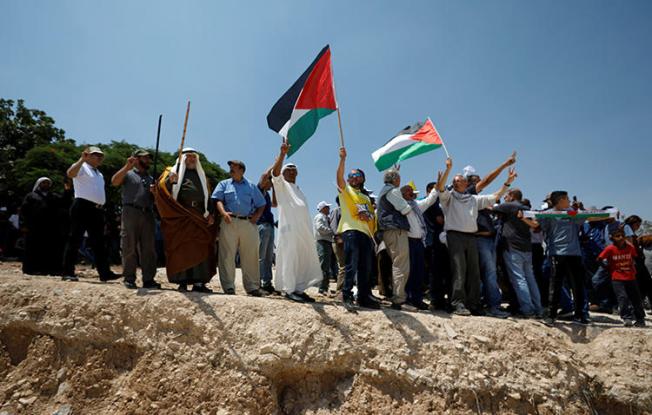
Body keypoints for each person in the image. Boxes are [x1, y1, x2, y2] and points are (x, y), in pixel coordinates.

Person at [436, 157, 516, 316]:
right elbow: (440, 188)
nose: (458, 182)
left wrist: (508, 182)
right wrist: (448, 169)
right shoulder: (449, 198)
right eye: (455, 180)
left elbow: (495, 195)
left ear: (466, 184)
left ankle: (474, 304)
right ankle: (458, 303)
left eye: (460, 180)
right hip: (455, 236)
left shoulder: (473, 199)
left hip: (471, 237)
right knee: (459, 270)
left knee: (474, 272)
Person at [538, 191, 606, 325]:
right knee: (555, 285)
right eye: (567, 199)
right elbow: (540, 227)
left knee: (578, 285)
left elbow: (590, 218)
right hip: (556, 253)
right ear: (560, 200)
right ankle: (551, 316)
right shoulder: (548, 214)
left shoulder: (574, 213)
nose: (569, 201)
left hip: (574, 253)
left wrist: (609, 214)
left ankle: (580, 315)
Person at [155, 148, 217, 292]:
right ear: (182, 158)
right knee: (180, 248)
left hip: (198, 216)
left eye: (194, 157)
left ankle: (199, 283)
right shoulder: (171, 171)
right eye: (188, 156)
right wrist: (170, 181)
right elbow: (161, 189)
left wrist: (210, 213)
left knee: (199, 248)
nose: (191, 159)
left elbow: (208, 196)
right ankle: (181, 281)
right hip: (180, 215)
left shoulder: (202, 177)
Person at [269, 142, 323, 302]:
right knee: (290, 258)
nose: (292, 172)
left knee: (301, 258)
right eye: (289, 170)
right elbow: (275, 173)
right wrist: (282, 154)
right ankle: (288, 289)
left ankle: (298, 289)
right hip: (289, 230)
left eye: (294, 170)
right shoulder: (282, 185)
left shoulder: (298, 189)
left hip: (303, 231)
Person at [61, 146, 120, 282]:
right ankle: (67, 272)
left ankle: (105, 273)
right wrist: (82, 159)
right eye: (96, 155)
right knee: (75, 239)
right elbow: (70, 174)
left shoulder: (99, 173)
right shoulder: (82, 166)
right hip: (82, 205)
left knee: (99, 242)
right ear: (87, 155)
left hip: (97, 209)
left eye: (101, 155)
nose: (99, 157)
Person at [336, 147, 380, 311]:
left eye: (356, 175)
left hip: (366, 234)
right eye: (350, 176)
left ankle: (363, 297)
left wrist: (368, 216)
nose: (352, 178)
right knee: (350, 265)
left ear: (362, 178)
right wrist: (342, 160)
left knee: (365, 267)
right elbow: (339, 177)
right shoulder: (346, 191)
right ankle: (346, 296)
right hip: (351, 231)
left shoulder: (366, 197)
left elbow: (370, 216)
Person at [213, 159, 266, 296]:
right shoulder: (223, 184)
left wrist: (257, 216)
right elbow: (217, 200)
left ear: (241, 170)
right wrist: (223, 212)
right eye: (230, 167)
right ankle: (229, 287)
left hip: (248, 223)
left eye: (233, 167)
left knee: (251, 255)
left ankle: (253, 287)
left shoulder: (251, 186)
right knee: (227, 255)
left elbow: (262, 203)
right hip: (229, 221)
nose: (230, 169)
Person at [111, 149, 160, 289]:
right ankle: (129, 278)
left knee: (149, 248)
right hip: (130, 211)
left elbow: (157, 202)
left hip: (148, 213)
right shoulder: (128, 173)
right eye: (144, 158)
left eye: (148, 158)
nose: (148, 161)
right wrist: (127, 166)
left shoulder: (151, 179)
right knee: (129, 245)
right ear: (136, 159)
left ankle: (149, 279)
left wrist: (155, 193)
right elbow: (114, 182)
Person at [493, 189, 543, 318]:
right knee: (530, 279)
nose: (504, 198)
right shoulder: (526, 208)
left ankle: (527, 309)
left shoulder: (509, 206)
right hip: (526, 247)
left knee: (519, 279)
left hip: (512, 247)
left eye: (506, 196)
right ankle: (538, 308)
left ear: (512, 196)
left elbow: (491, 207)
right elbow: (536, 225)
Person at [400, 180, 440, 310]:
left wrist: (439, 184)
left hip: (419, 242)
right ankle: (407, 298)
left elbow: (431, 199)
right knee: (409, 272)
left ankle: (417, 299)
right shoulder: (399, 206)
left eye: (412, 191)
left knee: (419, 272)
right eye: (407, 191)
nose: (411, 193)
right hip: (407, 241)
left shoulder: (416, 205)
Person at [376, 168, 412, 310]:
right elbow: (406, 209)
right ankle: (399, 299)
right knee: (401, 264)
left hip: (388, 231)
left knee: (397, 263)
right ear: (396, 180)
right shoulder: (393, 191)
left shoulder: (384, 190)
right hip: (396, 230)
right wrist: (404, 198)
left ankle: (398, 297)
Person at [598, 227, 646, 327]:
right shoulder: (610, 249)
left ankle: (640, 318)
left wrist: (635, 268)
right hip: (617, 278)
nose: (620, 238)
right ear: (612, 238)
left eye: (622, 236)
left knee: (636, 298)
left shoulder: (630, 247)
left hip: (631, 277)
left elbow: (635, 257)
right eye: (617, 236)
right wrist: (607, 268)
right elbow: (599, 258)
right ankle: (626, 318)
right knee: (622, 298)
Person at [20, 177, 65, 275]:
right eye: (43, 183)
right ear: (39, 184)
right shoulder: (31, 196)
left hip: (51, 228)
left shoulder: (54, 196)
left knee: (51, 248)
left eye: (48, 183)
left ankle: (51, 270)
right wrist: (24, 224)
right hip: (34, 227)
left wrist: (67, 190)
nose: (46, 185)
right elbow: (24, 211)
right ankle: (32, 269)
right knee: (34, 248)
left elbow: (64, 204)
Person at [423, 182, 451, 311]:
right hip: (434, 242)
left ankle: (442, 299)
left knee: (443, 272)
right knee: (436, 273)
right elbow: (440, 220)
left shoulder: (436, 202)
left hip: (439, 242)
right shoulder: (432, 203)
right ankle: (436, 300)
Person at [624, 215, 652, 309]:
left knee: (644, 284)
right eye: (638, 225)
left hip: (638, 262)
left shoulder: (630, 232)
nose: (638, 227)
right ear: (634, 223)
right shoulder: (628, 230)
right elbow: (630, 245)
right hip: (636, 262)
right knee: (645, 284)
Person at [257, 168, 277, 294]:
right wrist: (274, 166)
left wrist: (275, 187)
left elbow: (275, 204)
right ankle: (256, 283)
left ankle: (267, 283)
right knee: (261, 256)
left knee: (269, 257)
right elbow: (264, 175)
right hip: (261, 225)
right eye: (270, 182)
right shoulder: (258, 190)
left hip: (269, 226)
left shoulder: (268, 194)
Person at [314, 200, 335, 295]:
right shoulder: (320, 217)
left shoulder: (326, 217)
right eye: (327, 207)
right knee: (323, 265)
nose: (329, 209)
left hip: (326, 242)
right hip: (322, 242)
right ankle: (322, 289)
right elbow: (320, 228)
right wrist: (331, 231)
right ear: (323, 208)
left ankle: (325, 287)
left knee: (326, 265)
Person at [329, 196, 346, 294]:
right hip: (338, 241)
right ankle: (340, 290)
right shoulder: (337, 211)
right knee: (343, 266)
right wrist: (338, 237)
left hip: (345, 241)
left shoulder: (346, 211)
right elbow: (333, 225)